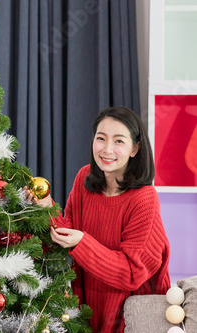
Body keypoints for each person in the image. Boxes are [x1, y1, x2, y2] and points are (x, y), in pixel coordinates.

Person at [31, 106, 170, 333]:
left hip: (132, 316)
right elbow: (68, 233)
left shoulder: (144, 199)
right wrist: (46, 205)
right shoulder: (84, 178)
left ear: (135, 148)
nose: (107, 149)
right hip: (88, 307)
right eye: (101, 138)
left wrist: (82, 242)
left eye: (119, 141)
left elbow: (132, 273)